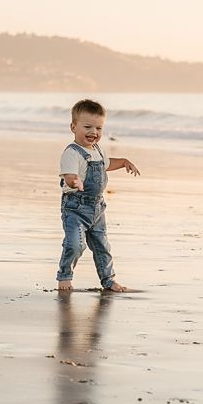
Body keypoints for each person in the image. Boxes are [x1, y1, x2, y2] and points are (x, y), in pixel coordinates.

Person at [58, 99, 140, 292]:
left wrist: (124, 162)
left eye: (98, 128)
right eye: (87, 127)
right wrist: (74, 181)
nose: (93, 132)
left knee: (102, 246)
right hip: (75, 208)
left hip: (97, 209)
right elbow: (69, 175)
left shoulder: (97, 150)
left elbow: (106, 164)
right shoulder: (72, 153)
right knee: (75, 245)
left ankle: (109, 280)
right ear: (73, 127)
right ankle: (65, 277)